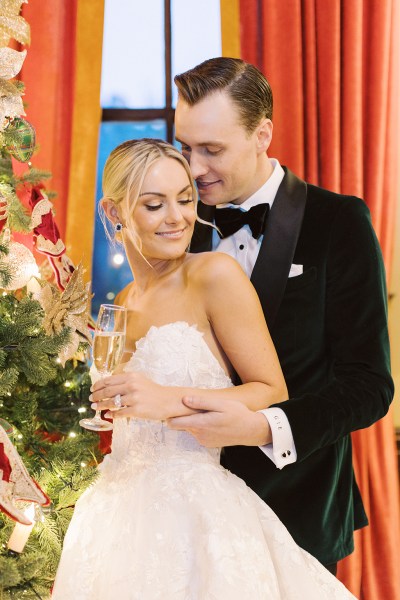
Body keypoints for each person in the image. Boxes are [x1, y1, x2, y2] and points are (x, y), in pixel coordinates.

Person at [52, 138, 357, 599]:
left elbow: (271, 390)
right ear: (114, 212)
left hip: (197, 515)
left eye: (186, 199)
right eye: (154, 204)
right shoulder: (123, 302)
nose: (177, 218)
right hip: (116, 515)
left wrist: (165, 400)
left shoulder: (213, 275)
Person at [165, 57, 394, 573]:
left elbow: (369, 384)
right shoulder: (181, 228)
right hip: (191, 518)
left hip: (299, 514)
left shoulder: (339, 222)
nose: (194, 168)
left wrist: (263, 427)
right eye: (186, 147)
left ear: (262, 133)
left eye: (213, 150)